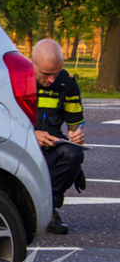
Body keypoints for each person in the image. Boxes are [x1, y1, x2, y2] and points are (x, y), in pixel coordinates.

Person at [31, 39, 86, 235]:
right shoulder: (16, 80)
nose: (52, 80)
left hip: (51, 147)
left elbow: (76, 125)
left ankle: (49, 208)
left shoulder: (67, 84)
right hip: (19, 146)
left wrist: (77, 135)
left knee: (73, 153)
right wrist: (31, 135)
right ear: (32, 63)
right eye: (46, 74)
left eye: (56, 73)